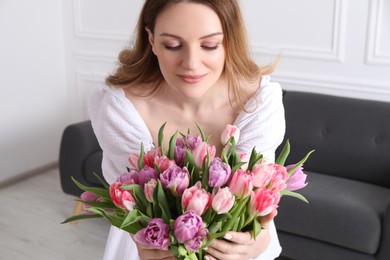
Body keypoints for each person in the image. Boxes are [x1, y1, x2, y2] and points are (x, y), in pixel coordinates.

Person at [88, 0, 285, 259]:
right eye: (173, 45)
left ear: (229, 41)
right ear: (152, 40)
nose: (192, 63)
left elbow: (256, 199)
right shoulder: (120, 107)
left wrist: (259, 239)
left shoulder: (258, 101)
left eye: (210, 45)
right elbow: (130, 204)